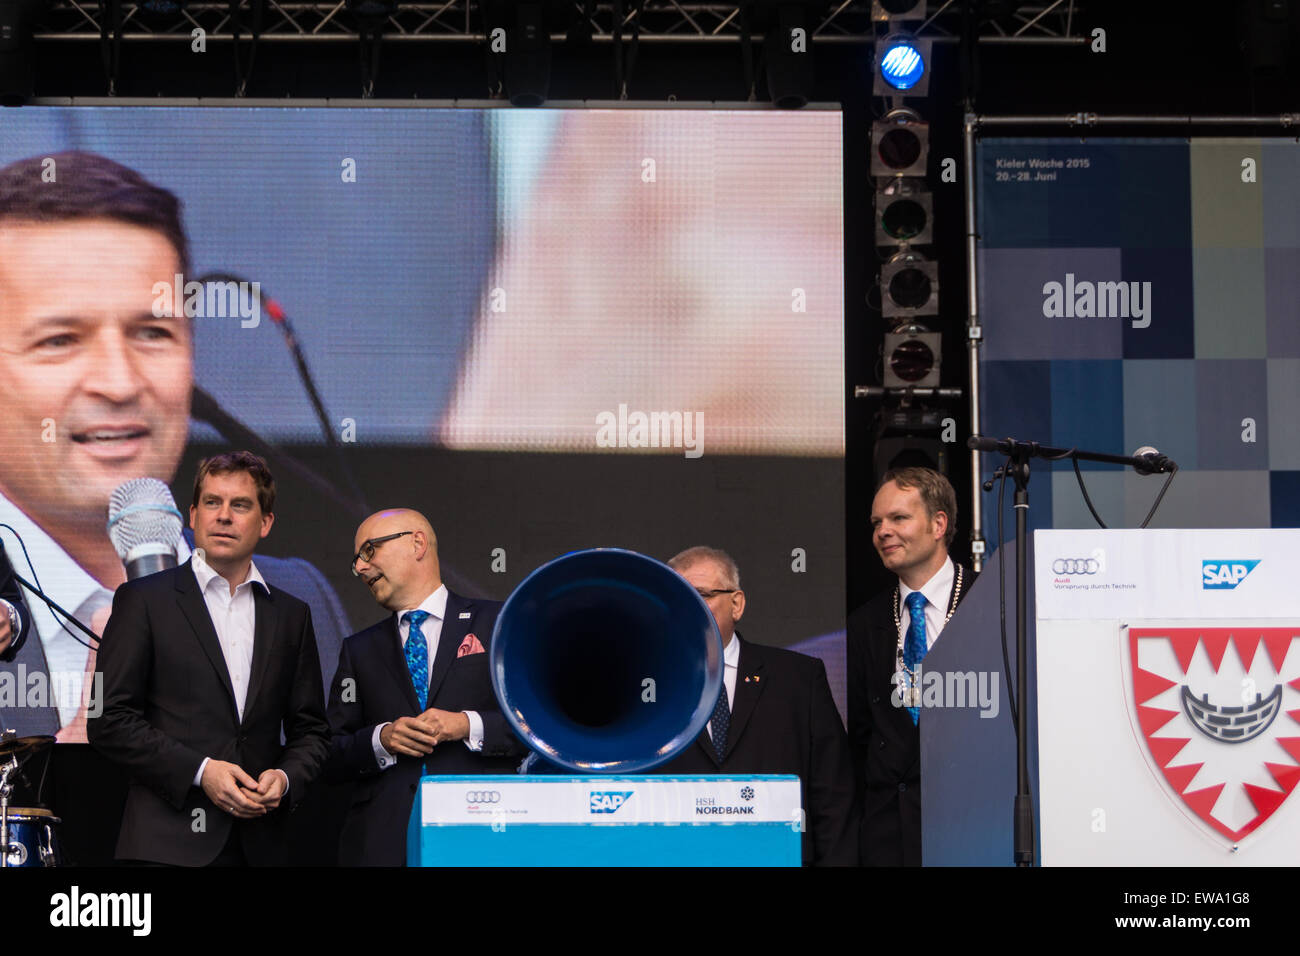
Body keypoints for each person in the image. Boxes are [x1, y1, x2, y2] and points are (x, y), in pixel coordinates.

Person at [0, 150, 350, 742]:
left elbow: (357, 828)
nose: (120, 381)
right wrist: (80, 777)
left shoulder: (294, 600)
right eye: (60, 339)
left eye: (152, 333)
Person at [87, 452, 329, 866]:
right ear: (193, 516)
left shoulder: (292, 614)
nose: (224, 516)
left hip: (261, 845)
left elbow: (312, 732)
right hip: (166, 847)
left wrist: (285, 778)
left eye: (240, 505)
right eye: (213, 503)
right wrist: (202, 771)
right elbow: (107, 719)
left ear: (265, 522)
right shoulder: (141, 600)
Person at [324, 508, 523, 866]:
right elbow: (331, 752)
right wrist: (381, 739)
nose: (360, 569)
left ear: (417, 543)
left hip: (484, 833)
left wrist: (466, 725)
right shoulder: (359, 649)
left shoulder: (498, 622)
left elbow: (536, 726)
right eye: (356, 562)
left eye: (369, 551)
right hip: (384, 843)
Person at [656, 546, 857, 866]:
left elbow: (833, 797)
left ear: (736, 604)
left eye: (702, 595)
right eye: (678, 599)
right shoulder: (651, 690)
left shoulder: (799, 679)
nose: (689, 609)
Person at [847, 466, 973, 866]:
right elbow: (861, 740)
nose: (882, 531)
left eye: (898, 518)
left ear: (939, 524)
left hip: (976, 828)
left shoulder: (995, 603)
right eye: (876, 522)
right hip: (889, 840)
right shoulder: (864, 624)